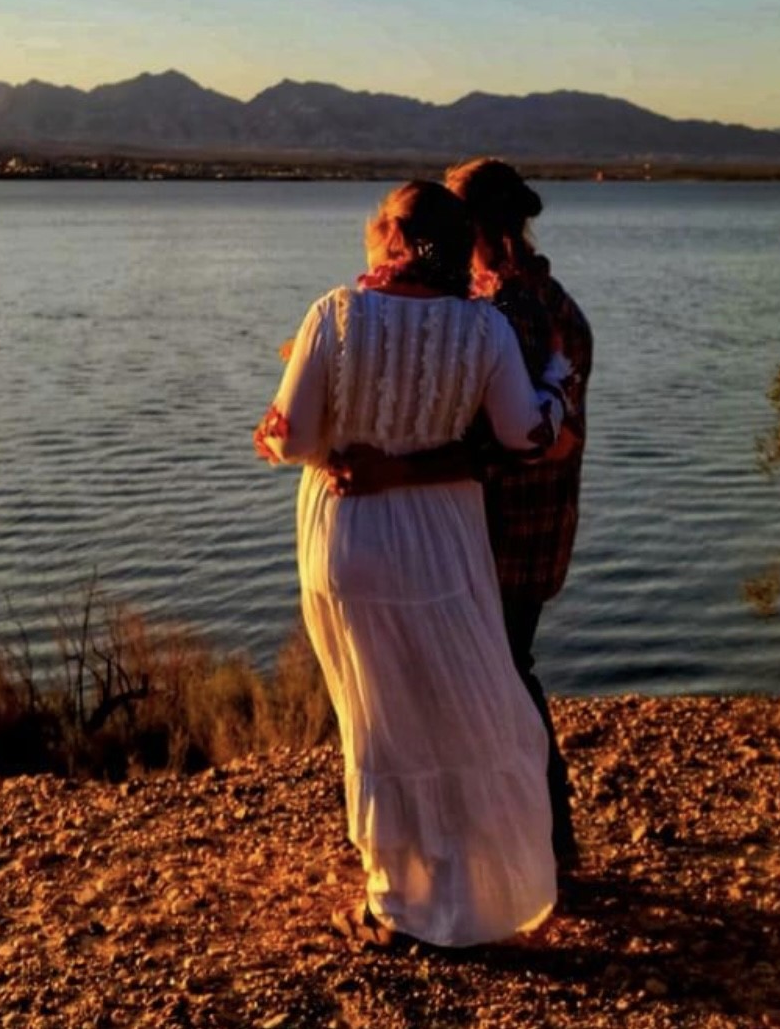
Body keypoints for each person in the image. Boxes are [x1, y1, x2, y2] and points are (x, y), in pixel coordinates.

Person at [253, 180, 574, 949]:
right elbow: (525, 436)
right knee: (461, 704)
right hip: (441, 541)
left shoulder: (334, 312)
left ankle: (394, 895)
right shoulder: (485, 327)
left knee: (376, 716)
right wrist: (556, 384)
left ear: (390, 237)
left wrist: (282, 432)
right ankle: (475, 882)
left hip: (345, 536)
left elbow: (290, 440)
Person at [328, 159, 593, 873]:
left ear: (468, 227)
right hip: (540, 529)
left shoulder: (501, 311)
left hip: (496, 530)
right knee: (507, 674)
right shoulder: (549, 299)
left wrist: (392, 470)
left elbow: (500, 448)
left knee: (498, 685)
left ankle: (537, 844)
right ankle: (528, 841)